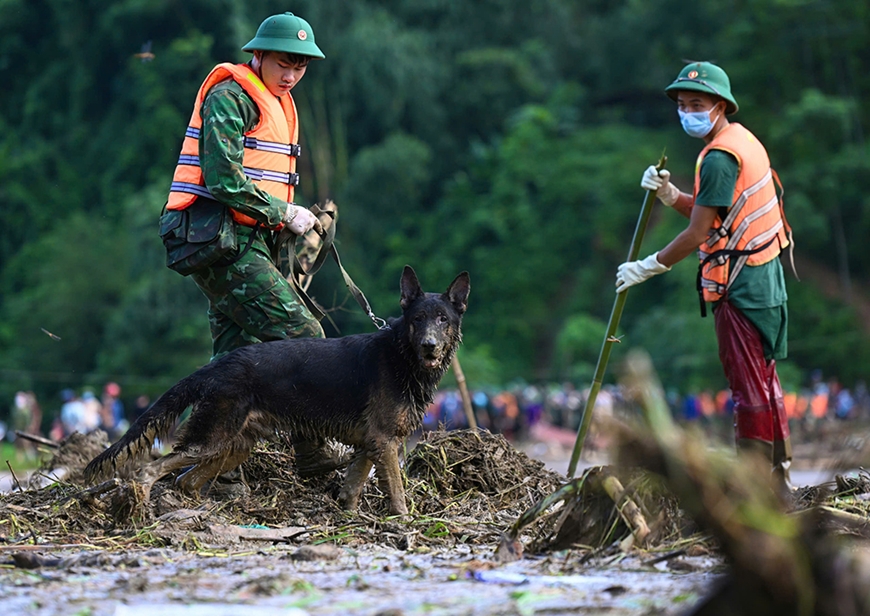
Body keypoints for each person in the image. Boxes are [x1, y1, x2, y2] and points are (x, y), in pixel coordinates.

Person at [164, 12, 338, 478]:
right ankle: (313, 455)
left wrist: (294, 223)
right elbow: (222, 178)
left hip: (249, 241)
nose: (291, 75)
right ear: (257, 54)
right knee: (306, 337)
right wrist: (285, 212)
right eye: (284, 63)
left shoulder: (280, 103)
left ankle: (204, 467)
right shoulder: (230, 96)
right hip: (220, 241)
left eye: (301, 68)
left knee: (228, 364)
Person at [615, 62, 794, 492]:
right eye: (682, 105)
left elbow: (699, 232)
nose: (687, 112)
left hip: (740, 283)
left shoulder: (717, 158)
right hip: (764, 276)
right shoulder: (741, 140)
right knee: (765, 380)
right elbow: (714, 214)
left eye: (697, 104)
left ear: (719, 105)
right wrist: (672, 195)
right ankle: (778, 475)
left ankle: (755, 483)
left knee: (747, 385)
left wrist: (649, 265)